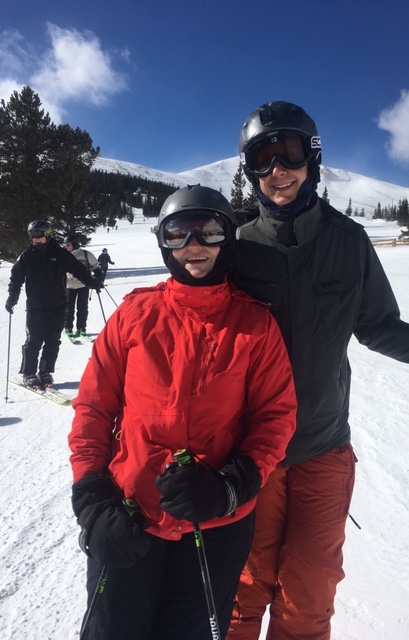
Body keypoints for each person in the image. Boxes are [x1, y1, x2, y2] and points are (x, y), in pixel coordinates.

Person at [227, 101, 409, 640]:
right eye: (262, 158)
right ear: (249, 170)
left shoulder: (347, 242)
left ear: (312, 158)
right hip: (249, 454)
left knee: (308, 596)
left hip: (322, 448)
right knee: (241, 592)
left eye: (289, 152)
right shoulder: (236, 246)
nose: (278, 169)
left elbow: (379, 325)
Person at [68, 185, 297, 639]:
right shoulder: (135, 314)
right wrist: (91, 496)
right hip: (129, 515)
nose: (194, 246)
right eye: (178, 234)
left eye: (208, 232)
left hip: (214, 522)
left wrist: (232, 485)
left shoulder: (255, 323)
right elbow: (93, 407)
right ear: (164, 241)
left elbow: (276, 415)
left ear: (227, 239)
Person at [5, 220, 103, 389]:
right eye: (32, 235)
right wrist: (12, 298)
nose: (35, 239)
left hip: (58, 305)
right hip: (36, 306)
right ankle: (29, 373)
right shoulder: (27, 256)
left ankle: (44, 372)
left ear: (48, 235)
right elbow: (16, 279)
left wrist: (91, 282)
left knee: (52, 341)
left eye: (38, 235)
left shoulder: (60, 254)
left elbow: (78, 269)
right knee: (34, 340)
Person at [64, 235, 103, 337]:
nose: (66, 247)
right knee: (68, 309)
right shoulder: (64, 255)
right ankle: (68, 328)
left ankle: (81, 328)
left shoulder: (86, 254)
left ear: (75, 244)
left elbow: (96, 266)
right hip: (69, 286)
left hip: (83, 285)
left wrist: (98, 279)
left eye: (68, 245)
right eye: (65, 245)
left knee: (82, 308)